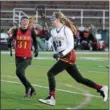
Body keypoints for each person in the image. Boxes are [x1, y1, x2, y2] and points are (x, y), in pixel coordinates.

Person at [39, 12, 108, 106]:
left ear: (58, 19)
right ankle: (101, 88)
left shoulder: (66, 30)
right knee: (79, 79)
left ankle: (52, 98)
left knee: (50, 73)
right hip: (63, 56)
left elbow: (71, 46)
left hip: (69, 55)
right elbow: (50, 46)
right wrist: (47, 40)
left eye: (53, 19)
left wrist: (60, 54)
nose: (51, 21)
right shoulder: (53, 31)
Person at [7, 16, 39, 97]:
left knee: (18, 72)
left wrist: (36, 50)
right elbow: (11, 39)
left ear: (28, 23)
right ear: (20, 22)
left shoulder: (31, 31)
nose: (25, 23)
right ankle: (32, 90)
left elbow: (35, 41)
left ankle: (28, 88)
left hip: (27, 57)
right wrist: (9, 43)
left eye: (26, 22)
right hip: (17, 56)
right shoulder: (16, 30)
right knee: (22, 74)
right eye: (23, 22)